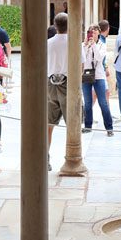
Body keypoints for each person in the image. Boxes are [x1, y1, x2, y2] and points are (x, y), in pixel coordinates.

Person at [81, 25, 114, 136]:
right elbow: (82, 59)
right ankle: (87, 126)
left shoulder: (102, 45)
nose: (92, 34)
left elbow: (99, 58)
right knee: (87, 103)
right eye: (91, 32)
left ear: (99, 33)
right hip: (86, 75)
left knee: (103, 103)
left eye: (95, 32)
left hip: (99, 76)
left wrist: (94, 44)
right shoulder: (83, 45)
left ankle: (109, 128)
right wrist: (86, 45)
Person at [46, 12, 69, 171]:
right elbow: (80, 65)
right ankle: (72, 158)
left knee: (48, 124)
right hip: (68, 84)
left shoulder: (48, 43)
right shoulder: (74, 42)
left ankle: (44, 157)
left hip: (50, 85)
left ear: (55, 26)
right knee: (72, 123)